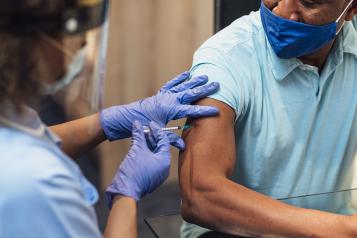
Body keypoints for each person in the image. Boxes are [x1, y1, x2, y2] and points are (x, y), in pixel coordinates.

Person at [0, 0, 220, 237]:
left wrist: (105, 123)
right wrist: (126, 193)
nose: (83, 44)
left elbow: (28, 140)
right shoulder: (41, 186)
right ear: (35, 40)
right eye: (75, 30)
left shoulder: (10, 116)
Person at [179, 0, 357, 237]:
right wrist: (342, 229)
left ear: (351, 9)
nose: (283, 11)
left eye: (308, 2)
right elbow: (200, 194)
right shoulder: (225, 56)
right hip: (233, 231)